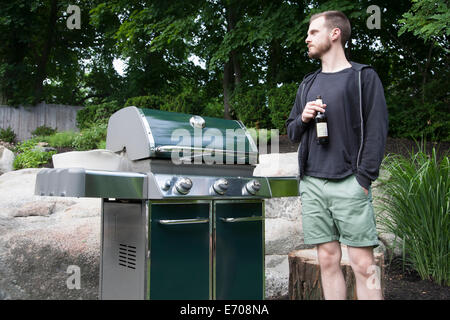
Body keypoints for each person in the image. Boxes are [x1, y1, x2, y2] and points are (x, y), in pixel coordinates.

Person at [286, 10, 388, 300]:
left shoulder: (363, 77)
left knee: (364, 265)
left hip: (350, 183)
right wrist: (303, 118)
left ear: (335, 34)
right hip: (313, 183)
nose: (307, 38)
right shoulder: (307, 84)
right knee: (328, 261)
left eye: (313, 32)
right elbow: (292, 132)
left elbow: (377, 131)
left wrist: (363, 179)